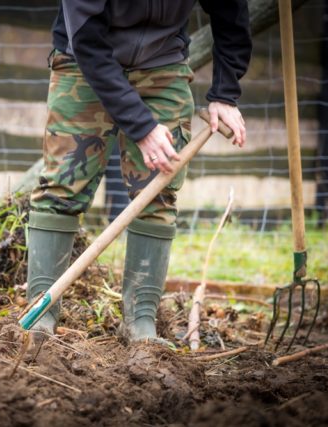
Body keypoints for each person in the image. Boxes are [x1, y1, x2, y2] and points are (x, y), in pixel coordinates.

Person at [27, 0, 252, 344]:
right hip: (84, 62)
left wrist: (225, 92)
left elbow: (231, 11)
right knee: (63, 188)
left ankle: (140, 323)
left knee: (158, 192)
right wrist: (142, 126)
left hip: (162, 64)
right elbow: (86, 37)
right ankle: (41, 315)